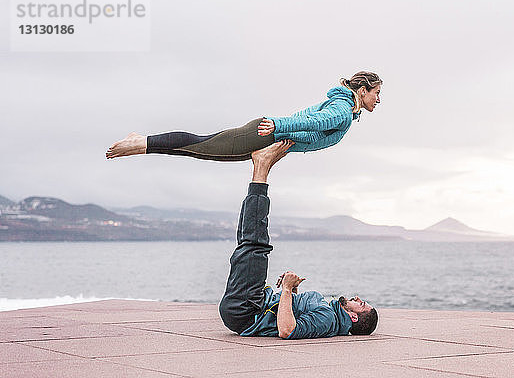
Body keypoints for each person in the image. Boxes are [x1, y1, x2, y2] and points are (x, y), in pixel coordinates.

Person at [219, 140, 378, 339]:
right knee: (249, 243)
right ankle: (261, 168)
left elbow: (287, 330)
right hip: (253, 303)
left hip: (247, 310)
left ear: (354, 317)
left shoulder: (327, 318)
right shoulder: (329, 313)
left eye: (361, 303)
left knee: (255, 245)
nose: (357, 298)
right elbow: (290, 317)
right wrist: (292, 291)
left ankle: (262, 167)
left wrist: (285, 289)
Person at [105, 71, 382, 161]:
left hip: (269, 137)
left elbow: (309, 128)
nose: (378, 99)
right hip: (267, 132)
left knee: (202, 152)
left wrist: (286, 143)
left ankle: (142, 144)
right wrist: (279, 125)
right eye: (376, 92)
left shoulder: (345, 108)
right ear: (363, 89)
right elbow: (314, 122)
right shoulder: (344, 110)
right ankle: (140, 142)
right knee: (202, 145)